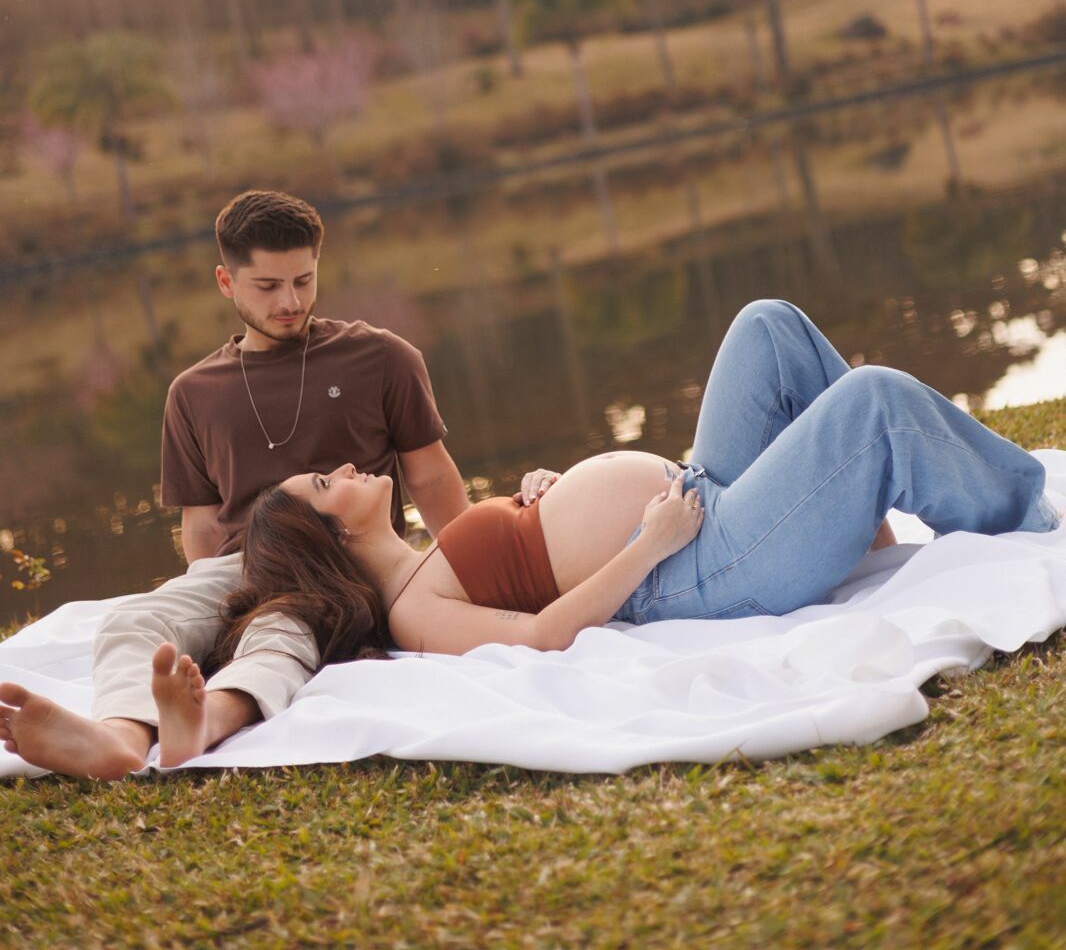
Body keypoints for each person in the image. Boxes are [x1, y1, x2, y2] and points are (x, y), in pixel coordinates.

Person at [112, 298, 1062, 767]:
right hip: (699, 563)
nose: (350, 469)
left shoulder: (428, 554)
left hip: (698, 499)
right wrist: (643, 544)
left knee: (766, 325)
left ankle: (859, 522)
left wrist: (546, 499)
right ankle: (1029, 518)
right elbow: (538, 632)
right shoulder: (409, 612)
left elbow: (528, 556)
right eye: (329, 483)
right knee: (873, 402)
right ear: (327, 536)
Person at [0, 188, 527, 779]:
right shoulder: (192, 393)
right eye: (268, 286)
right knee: (136, 620)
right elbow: (201, 523)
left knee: (282, 634)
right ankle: (117, 737)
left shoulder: (382, 357)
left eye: (304, 280)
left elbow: (430, 475)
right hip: (240, 567)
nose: (291, 301)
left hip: (343, 564)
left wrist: (469, 573)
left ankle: (204, 722)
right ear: (226, 283)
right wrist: (212, 609)